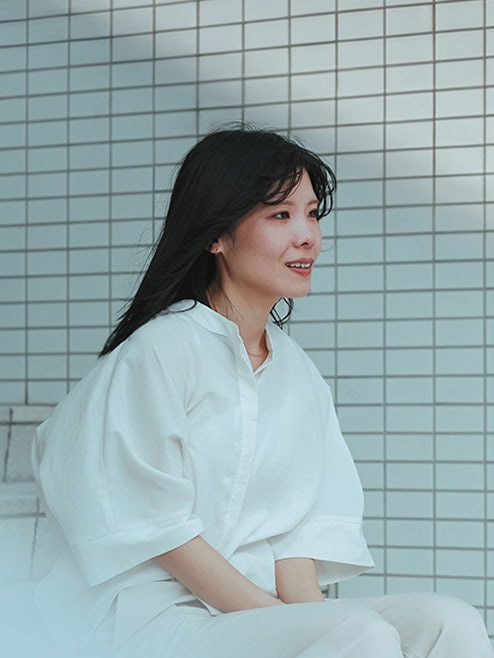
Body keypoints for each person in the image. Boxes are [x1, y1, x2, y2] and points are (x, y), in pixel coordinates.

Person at [32, 126, 493, 658]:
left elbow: (294, 540)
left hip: (251, 614)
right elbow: (161, 533)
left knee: (448, 622)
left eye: (312, 214)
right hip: (148, 617)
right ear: (216, 236)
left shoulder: (296, 373)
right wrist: (302, 624)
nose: (308, 236)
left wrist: (314, 620)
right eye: (280, 215)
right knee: (359, 633)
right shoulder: (159, 351)